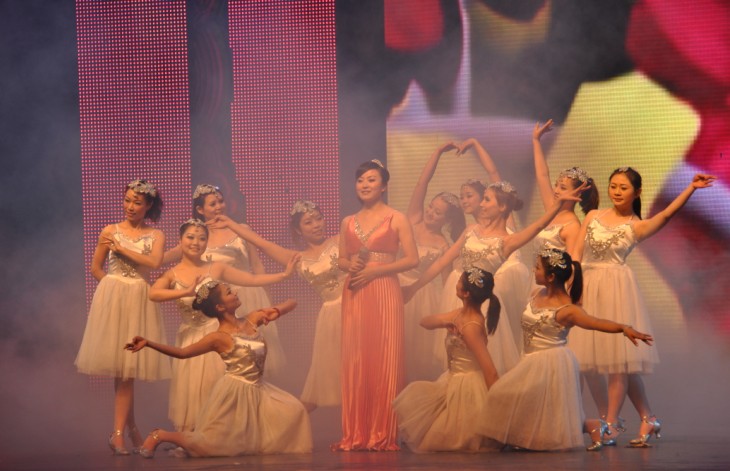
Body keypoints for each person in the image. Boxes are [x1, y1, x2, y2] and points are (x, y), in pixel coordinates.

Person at [569, 169, 716, 446]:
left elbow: (666, 215)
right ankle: (648, 418)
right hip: (587, 286)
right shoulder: (592, 216)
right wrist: (573, 286)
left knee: (619, 364)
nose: (616, 191)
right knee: (605, 361)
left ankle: (612, 424)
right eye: (613, 186)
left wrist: (691, 188)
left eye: (623, 188)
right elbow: (575, 253)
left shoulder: (636, 226)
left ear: (636, 193)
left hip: (615, 290)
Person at [404, 181, 586, 377]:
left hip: (481, 303)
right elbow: (442, 262)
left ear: (502, 206)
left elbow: (538, 225)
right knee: (458, 360)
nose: (481, 204)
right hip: (459, 298)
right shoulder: (471, 230)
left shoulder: (507, 241)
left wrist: (558, 205)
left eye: (486, 199)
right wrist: (414, 288)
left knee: (481, 362)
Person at [481, 248, 653, 451]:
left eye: (537, 268)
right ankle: (592, 426)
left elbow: (595, 322)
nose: (533, 271)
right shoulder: (536, 293)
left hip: (550, 362)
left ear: (551, 277)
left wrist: (623, 328)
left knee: (505, 394)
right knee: (536, 408)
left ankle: (591, 426)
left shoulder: (568, 309)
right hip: (530, 359)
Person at [126, 282, 312, 457]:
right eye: (229, 292)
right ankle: (160, 435)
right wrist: (148, 343)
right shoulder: (218, 338)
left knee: (295, 411)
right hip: (235, 393)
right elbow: (183, 353)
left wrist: (276, 311)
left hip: (259, 389)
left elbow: (292, 302)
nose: (235, 292)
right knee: (212, 444)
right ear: (220, 307)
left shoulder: (252, 319)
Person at [148, 219, 298, 433]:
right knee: (194, 391)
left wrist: (284, 275)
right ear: (180, 240)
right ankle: (195, 438)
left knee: (220, 389)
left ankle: (226, 435)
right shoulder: (172, 274)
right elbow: (153, 294)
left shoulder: (216, 268)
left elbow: (251, 278)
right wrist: (185, 292)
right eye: (190, 237)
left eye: (202, 238)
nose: (196, 242)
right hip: (191, 337)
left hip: (219, 336)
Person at [210, 200, 346, 411]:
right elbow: (262, 243)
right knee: (330, 372)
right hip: (330, 317)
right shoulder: (297, 258)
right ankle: (289, 418)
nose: (316, 225)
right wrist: (230, 224)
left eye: (319, 219)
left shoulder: (340, 241)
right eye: (308, 222)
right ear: (298, 230)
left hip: (355, 307)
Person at [75, 180, 171, 455]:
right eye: (127, 200)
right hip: (115, 301)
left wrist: (122, 250)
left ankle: (126, 431)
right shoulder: (110, 231)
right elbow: (96, 268)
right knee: (123, 373)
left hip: (139, 301)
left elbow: (154, 263)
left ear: (148, 205)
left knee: (127, 372)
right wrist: (112, 290)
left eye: (137, 202)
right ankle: (121, 433)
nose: (130, 206)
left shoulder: (156, 235)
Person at [333, 159, 419, 451]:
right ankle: (356, 432)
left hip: (384, 289)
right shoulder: (347, 221)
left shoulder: (397, 217)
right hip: (355, 290)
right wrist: (350, 265)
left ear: (383, 186)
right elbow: (341, 259)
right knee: (356, 357)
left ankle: (382, 432)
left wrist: (375, 271)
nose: (365, 185)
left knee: (385, 356)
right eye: (360, 180)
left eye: (371, 180)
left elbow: (412, 259)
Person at [166, 184, 287, 378]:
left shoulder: (241, 229)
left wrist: (268, 297)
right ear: (200, 210)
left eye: (221, 201)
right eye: (212, 204)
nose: (219, 207)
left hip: (250, 295)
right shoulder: (198, 238)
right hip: (223, 300)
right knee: (231, 355)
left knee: (255, 352)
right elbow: (163, 258)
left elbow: (257, 266)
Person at [393, 268, 501, 452]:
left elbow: (490, 370)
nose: (456, 282)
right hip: (452, 379)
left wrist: (497, 408)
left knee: (448, 437)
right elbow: (424, 321)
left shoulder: (471, 326)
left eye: (459, 281)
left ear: (466, 293)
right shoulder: (459, 315)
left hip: (467, 386)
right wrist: (446, 322)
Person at [401, 142, 466, 381]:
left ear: (446, 220)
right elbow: (422, 184)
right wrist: (437, 152)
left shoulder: (442, 245)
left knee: (414, 350)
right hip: (395, 284)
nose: (430, 213)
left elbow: (447, 282)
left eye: (437, 212)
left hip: (420, 296)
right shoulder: (413, 219)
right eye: (431, 207)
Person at [531, 119, 599, 255]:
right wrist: (536, 140)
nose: (556, 190)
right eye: (556, 185)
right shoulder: (551, 208)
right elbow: (542, 175)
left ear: (578, 193)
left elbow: (573, 263)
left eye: (562, 188)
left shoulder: (573, 226)